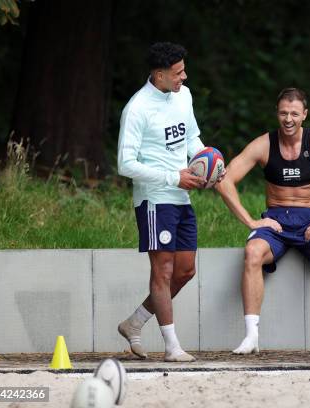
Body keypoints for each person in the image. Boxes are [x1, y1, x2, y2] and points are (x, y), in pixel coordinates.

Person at [215, 87, 310, 354]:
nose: (288, 119)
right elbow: (224, 179)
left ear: (304, 115)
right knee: (252, 253)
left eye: (294, 114)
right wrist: (251, 222)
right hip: (276, 222)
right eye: (283, 113)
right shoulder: (264, 144)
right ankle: (251, 336)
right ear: (277, 113)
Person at [116, 42, 209, 362]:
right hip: (155, 199)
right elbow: (125, 165)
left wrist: (209, 163)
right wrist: (173, 177)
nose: (185, 76)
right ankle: (172, 347)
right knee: (164, 270)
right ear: (159, 75)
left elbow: (191, 139)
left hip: (181, 197)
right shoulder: (137, 109)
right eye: (178, 72)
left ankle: (135, 322)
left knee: (185, 270)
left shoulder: (183, 96)